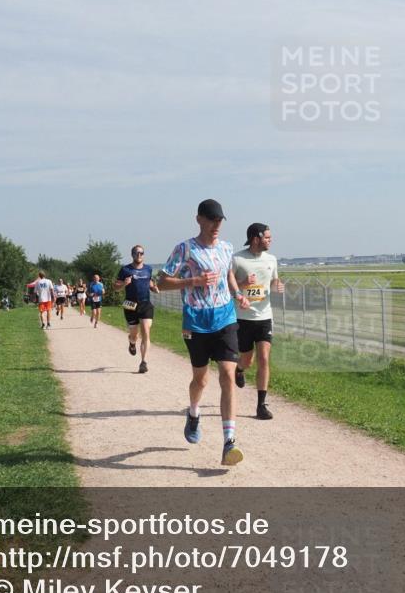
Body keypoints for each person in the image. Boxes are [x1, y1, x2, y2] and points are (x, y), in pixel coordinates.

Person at [158, 199, 250, 466]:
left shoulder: (226, 247)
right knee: (200, 380)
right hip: (196, 321)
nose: (216, 225)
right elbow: (162, 282)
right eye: (211, 220)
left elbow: (228, 275)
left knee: (227, 374)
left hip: (225, 318)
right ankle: (194, 413)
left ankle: (229, 442)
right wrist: (192, 281)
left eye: (219, 221)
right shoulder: (185, 249)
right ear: (199, 219)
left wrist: (238, 295)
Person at [232, 223, 284, 420]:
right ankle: (240, 369)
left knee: (263, 358)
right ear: (256, 238)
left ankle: (261, 405)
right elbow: (228, 286)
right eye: (268, 238)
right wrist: (243, 285)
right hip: (243, 318)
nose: (271, 241)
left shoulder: (271, 259)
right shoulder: (237, 259)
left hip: (264, 317)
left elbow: (272, 282)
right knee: (247, 359)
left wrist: (277, 286)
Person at [115, 246, 159, 373]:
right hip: (130, 305)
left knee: (146, 330)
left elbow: (149, 283)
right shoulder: (125, 269)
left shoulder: (148, 269)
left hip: (145, 304)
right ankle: (132, 342)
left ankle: (143, 362)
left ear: (143, 255)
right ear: (132, 254)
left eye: (141, 253)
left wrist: (154, 288)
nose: (139, 255)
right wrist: (124, 284)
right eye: (136, 253)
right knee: (134, 334)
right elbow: (115, 287)